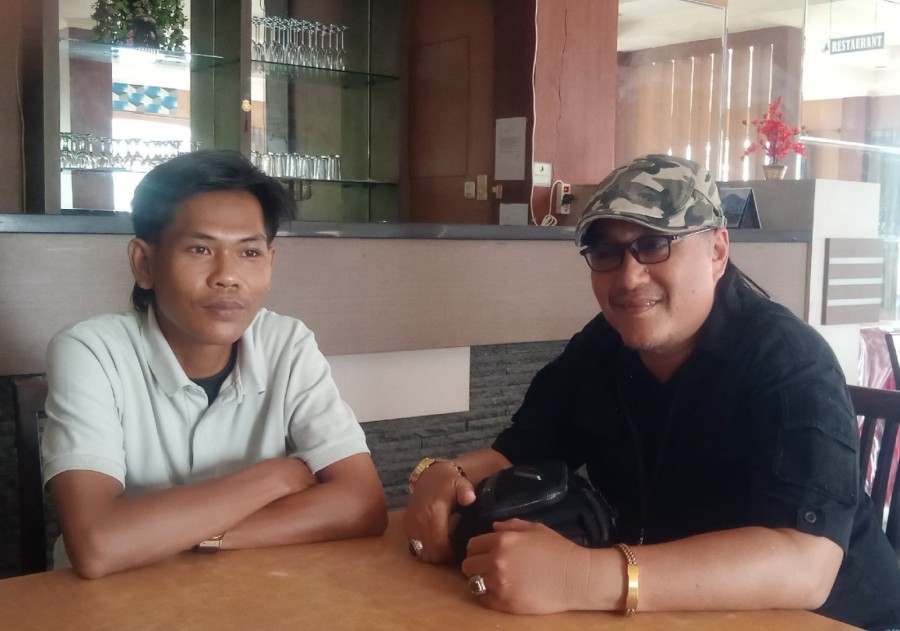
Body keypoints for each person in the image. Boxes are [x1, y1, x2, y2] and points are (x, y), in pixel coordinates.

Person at [404, 154, 900, 630]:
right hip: (677, 612)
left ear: (717, 252)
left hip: (837, 619)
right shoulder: (602, 346)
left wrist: (581, 577)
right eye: (606, 252)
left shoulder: (788, 360)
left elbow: (807, 563)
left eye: (655, 244)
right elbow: (518, 451)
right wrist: (447, 475)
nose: (628, 277)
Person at [41, 150, 387, 579]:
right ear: (144, 263)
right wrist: (277, 478)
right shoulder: (91, 351)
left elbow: (363, 505)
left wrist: (190, 535)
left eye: (249, 253)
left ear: (270, 262)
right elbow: (98, 545)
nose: (228, 276)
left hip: (247, 589)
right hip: (112, 600)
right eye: (201, 248)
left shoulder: (287, 343)